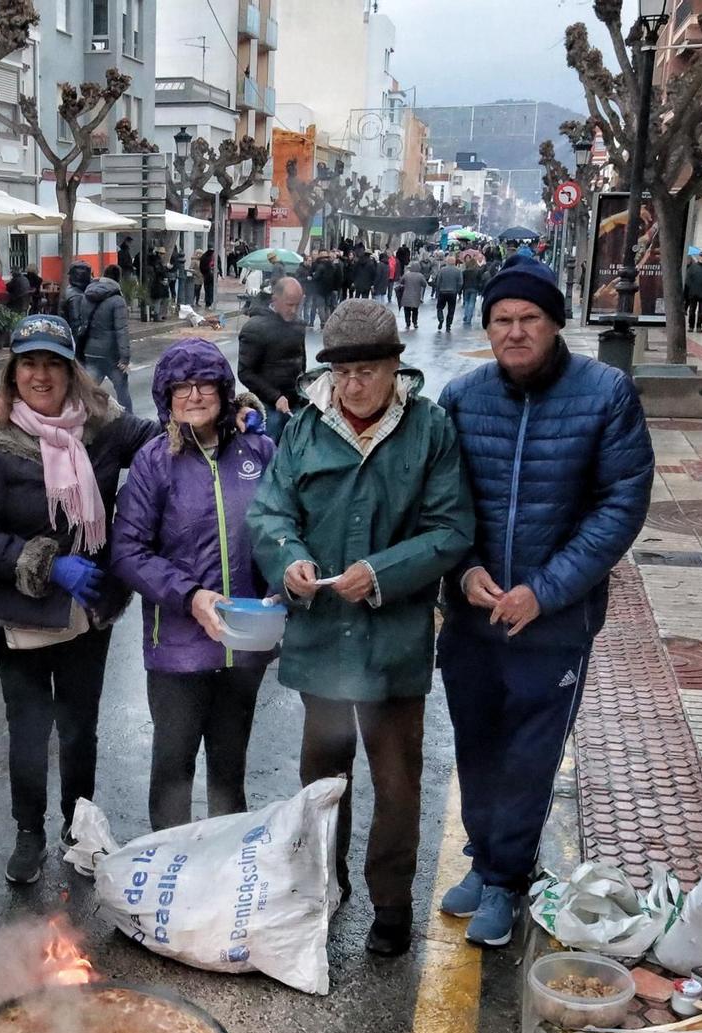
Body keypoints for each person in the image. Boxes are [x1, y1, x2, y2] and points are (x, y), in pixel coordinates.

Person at [435, 254, 653, 947]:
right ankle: (483, 855)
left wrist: (547, 589)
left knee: (529, 755)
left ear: (556, 323)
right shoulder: (464, 396)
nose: (516, 331)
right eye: (502, 319)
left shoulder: (607, 393)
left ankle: (507, 880)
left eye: (530, 318)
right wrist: (465, 571)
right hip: (474, 616)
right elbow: (444, 500)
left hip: (555, 622)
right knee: (476, 745)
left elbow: (620, 505)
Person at [246, 298, 474, 958]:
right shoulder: (306, 429)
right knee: (321, 779)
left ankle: (391, 904)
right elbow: (270, 513)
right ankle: (323, 887)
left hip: (394, 642)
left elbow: (451, 528)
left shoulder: (429, 429)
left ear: (395, 368)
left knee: (398, 782)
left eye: (368, 371)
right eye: (343, 373)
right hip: (322, 642)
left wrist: (379, 572)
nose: (353, 385)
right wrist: (288, 558)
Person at [0, 315, 160, 886]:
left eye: (52, 363)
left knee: (78, 726)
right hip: (15, 611)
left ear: (72, 370)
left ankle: (79, 825)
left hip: (87, 609)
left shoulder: (105, 426)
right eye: (28, 362)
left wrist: (233, 404)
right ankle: (28, 832)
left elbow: (168, 435)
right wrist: (46, 563)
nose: (40, 375)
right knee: (28, 725)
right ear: (13, 370)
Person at [110, 340, 277, 831]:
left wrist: (282, 590)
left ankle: (223, 871)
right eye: (181, 386)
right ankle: (172, 874)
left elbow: (283, 528)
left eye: (205, 383)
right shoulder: (153, 461)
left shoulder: (260, 450)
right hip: (177, 649)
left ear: (226, 392)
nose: (194, 394)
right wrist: (191, 595)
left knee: (230, 773)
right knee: (172, 772)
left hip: (244, 645)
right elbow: (129, 551)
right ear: (166, 396)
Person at [238, 276, 307, 437]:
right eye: (290, 305)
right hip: (268, 407)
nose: (294, 310)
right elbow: (245, 373)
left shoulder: (298, 325)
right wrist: (275, 397)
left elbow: (301, 362)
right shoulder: (255, 328)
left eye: (298, 305)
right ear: (275, 300)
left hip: (294, 403)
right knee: (269, 453)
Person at [78, 264, 134, 411]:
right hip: (112, 355)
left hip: (91, 350)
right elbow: (121, 330)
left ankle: (82, 416)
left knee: (88, 389)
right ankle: (129, 420)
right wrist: (125, 357)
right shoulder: (117, 300)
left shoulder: (87, 295)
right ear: (118, 278)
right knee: (122, 390)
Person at [431, 257, 464, 331]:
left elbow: (438, 281)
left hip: (443, 291)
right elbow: (460, 282)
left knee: (440, 307)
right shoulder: (458, 271)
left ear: (447, 262)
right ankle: (448, 325)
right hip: (452, 292)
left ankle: (440, 318)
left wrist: (438, 289)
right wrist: (457, 290)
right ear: (454, 262)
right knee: (451, 309)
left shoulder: (442, 270)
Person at [398, 259, 429, 330]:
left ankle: (407, 323)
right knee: (415, 310)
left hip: (406, 295)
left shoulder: (407, 275)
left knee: (407, 310)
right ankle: (415, 323)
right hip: (416, 296)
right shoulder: (420, 276)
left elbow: (401, 281)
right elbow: (424, 284)